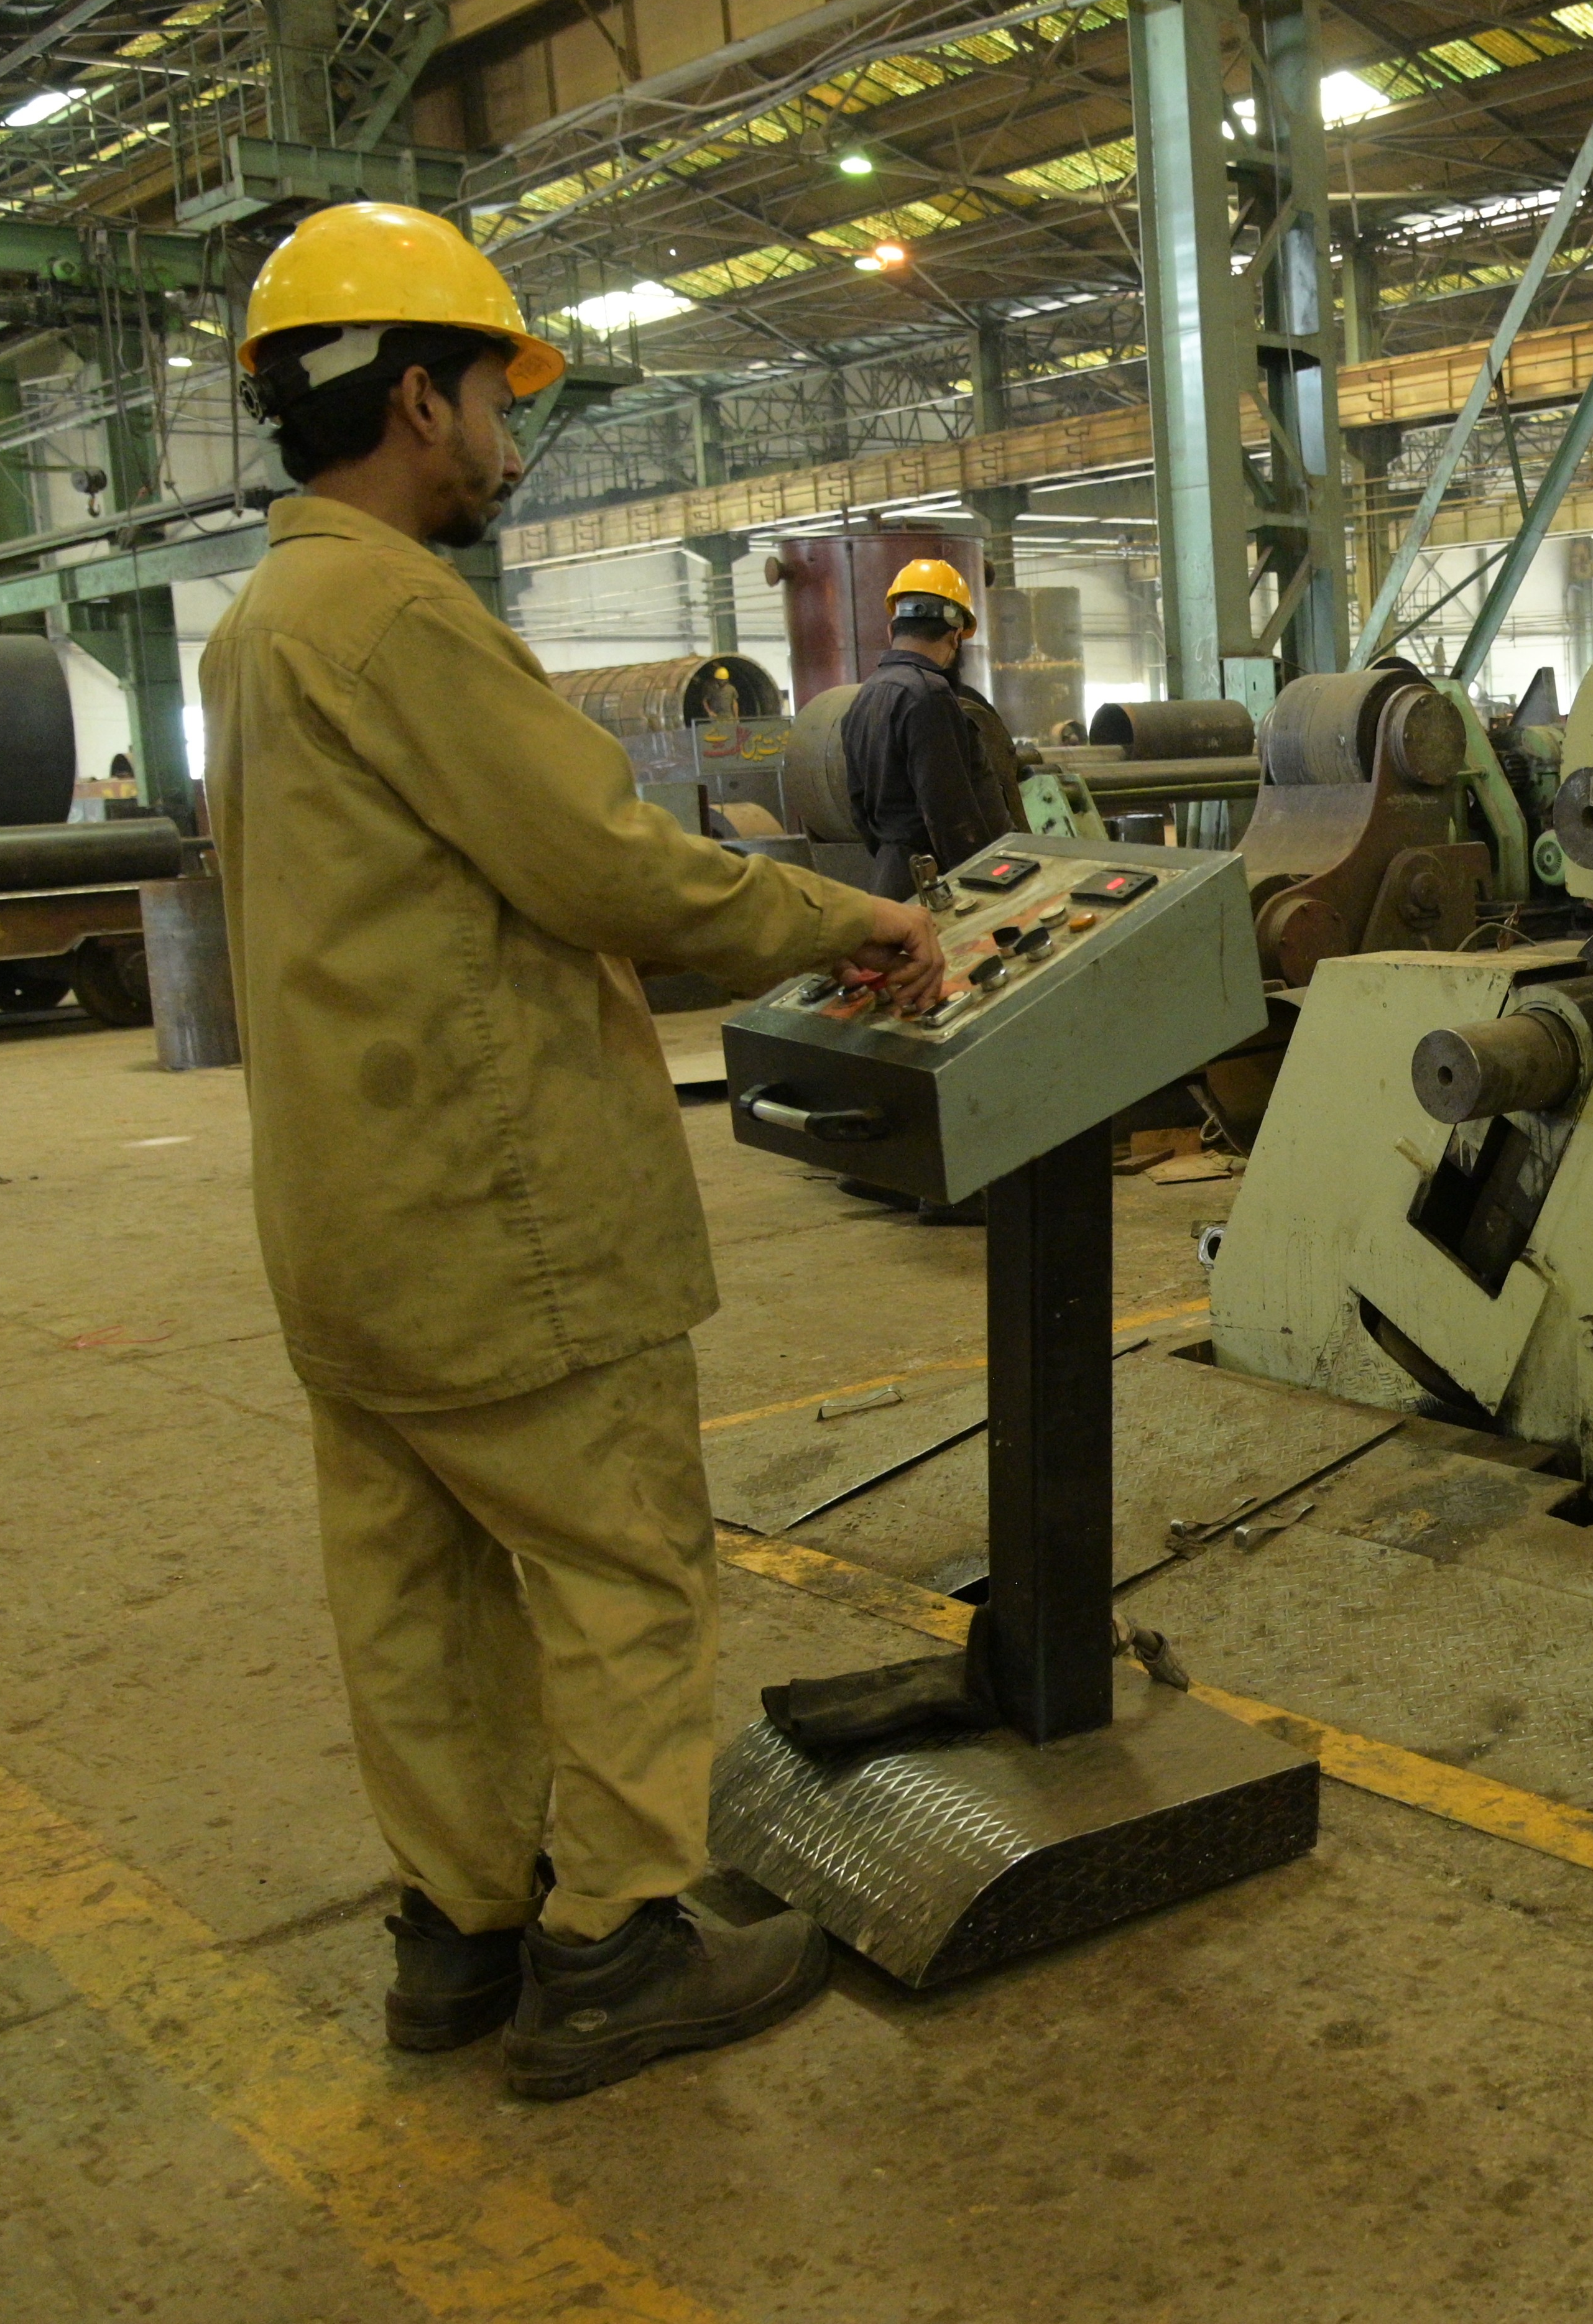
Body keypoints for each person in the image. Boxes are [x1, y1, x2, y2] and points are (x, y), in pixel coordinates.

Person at [197, 200, 948, 2100]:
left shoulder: (258, 624)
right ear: (417, 396)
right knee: (622, 1564)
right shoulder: (392, 613)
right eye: (492, 398)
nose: (508, 448)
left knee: (421, 1590)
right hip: (498, 1215)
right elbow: (598, 866)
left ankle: (456, 1936)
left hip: (349, 1227)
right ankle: (614, 1945)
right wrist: (831, 922)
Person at [839, 557, 1027, 901]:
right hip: (939, 888)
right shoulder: (929, 694)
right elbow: (951, 815)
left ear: (892, 628)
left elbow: (858, 807)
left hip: (894, 880)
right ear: (956, 636)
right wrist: (984, 892)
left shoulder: (862, 699)